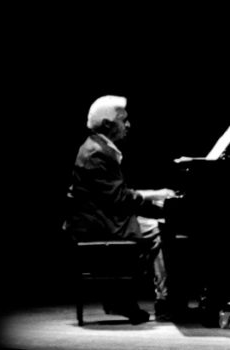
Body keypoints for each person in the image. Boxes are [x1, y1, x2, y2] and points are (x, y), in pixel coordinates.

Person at [65, 95, 185, 323]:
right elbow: (119, 198)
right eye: (124, 120)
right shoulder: (97, 153)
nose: (128, 125)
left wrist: (153, 194)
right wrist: (155, 196)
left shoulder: (98, 147)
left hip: (100, 217)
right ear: (108, 124)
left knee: (154, 226)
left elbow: (114, 193)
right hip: (98, 223)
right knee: (160, 231)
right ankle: (164, 301)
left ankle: (122, 298)